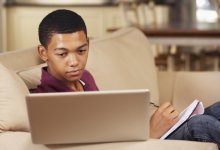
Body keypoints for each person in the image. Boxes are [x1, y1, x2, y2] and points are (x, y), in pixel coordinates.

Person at [32, 9, 220, 148]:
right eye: (62, 54)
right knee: (201, 124)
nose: (74, 62)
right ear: (43, 52)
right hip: (142, 141)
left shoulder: (85, 78)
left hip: (137, 136)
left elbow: (106, 127)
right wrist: (150, 132)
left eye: (81, 51)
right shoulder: (45, 99)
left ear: (88, 44)